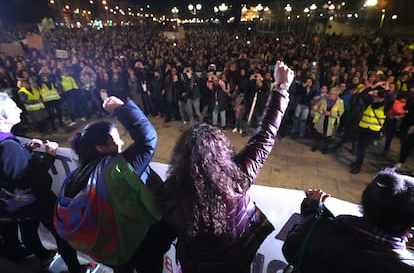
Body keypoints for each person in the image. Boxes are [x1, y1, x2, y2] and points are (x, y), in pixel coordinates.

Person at [158, 61, 294, 272]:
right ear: (220, 151)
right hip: (236, 260)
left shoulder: (171, 193)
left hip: (196, 265)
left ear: (181, 157)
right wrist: (281, 89)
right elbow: (264, 136)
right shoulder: (237, 179)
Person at [54, 96, 175, 273]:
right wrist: (121, 108)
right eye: (114, 138)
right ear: (100, 147)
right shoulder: (118, 170)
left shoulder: (74, 177)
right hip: (142, 243)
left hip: (111, 249)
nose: (121, 142)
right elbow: (147, 139)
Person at [0, 92, 83, 272]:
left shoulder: (8, 144)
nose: (20, 110)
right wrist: (49, 157)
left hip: (18, 205)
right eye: (14, 107)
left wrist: (25, 150)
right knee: (61, 235)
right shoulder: (8, 147)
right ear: (1, 117)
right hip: (36, 200)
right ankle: (75, 268)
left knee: (29, 232)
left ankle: (44, 258)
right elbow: (27, 180)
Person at [283, 168, 414, 273]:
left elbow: (292, 248)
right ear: (408, 226)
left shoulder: (312, 231)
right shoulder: (406, 267)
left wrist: (312, 216)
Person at [311, 87, 344, 154]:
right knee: (318, 135)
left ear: (336, 95)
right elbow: (315, 106)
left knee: (327, 137)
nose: (330, 95)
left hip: (331, 121)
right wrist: (318, 110)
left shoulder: (340, 102)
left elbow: (340, 112)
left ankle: (325, 148)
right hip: (321, 119)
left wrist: (331, 113)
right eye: (330, 93)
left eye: (332, 94)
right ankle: (316, 146)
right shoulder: (324, 99)